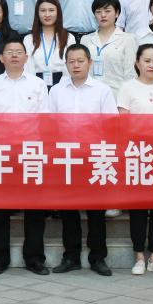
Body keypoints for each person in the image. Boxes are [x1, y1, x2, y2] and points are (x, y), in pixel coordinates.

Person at [0, 35, 50, 275]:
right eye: (9, 52)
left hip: (31, 151)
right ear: (1, 58)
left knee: (35, 208)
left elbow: (44, 119)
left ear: (26, 57)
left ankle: (35, 258)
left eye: (19, 51)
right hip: (2, 152)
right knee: (0, 209)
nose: (14, 55)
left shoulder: (37, 84)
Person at [48, 44, 117, 276]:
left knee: (96, 210)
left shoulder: (102, 90)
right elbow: (49, 124)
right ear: (66, 64)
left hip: (94, 155)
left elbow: (111, 125)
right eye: (71, 61)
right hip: (66, 156)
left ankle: (98, 257)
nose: (76, 65)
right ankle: (71, 257)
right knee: (68, 210)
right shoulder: (56, 91)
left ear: (89, 63)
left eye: (80, 61)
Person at [118, 44, 153, 275]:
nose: (152, 65)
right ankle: (139, 257)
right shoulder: (127, 87)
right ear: (137, 62)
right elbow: (123, 123)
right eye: (147, 60)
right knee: (139, 207)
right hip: (136, 152)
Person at [80, 0, 138, 96]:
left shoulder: (128, 39)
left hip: (116, 94)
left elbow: (131, 73)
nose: (103, 15)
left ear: (117, 13)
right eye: (98, 12)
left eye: (107, 11)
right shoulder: (86, 39)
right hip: (90, 94)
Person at [24, 0, 75, 87]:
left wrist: (62, 87)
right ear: (37, 13)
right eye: (43, 10)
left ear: (58, 12)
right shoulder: (29, 39)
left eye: (51, 10)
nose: (47, 14)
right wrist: (34, 87)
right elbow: (28, 67)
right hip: (35, 85)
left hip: (63, 84)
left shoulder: (69, 38)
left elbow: (70, 65)